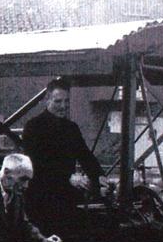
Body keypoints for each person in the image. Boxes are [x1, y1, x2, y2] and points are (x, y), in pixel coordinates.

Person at [22, 78, 107, 233]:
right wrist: (68, 176)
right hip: (41, 200)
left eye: (66, 101)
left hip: (66, 198)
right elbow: (35, 164)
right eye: (58, 101)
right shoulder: (33, 127)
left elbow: (85, 156)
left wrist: (100, 176)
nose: (63, 106)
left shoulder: (71, 128)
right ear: (47, 100)